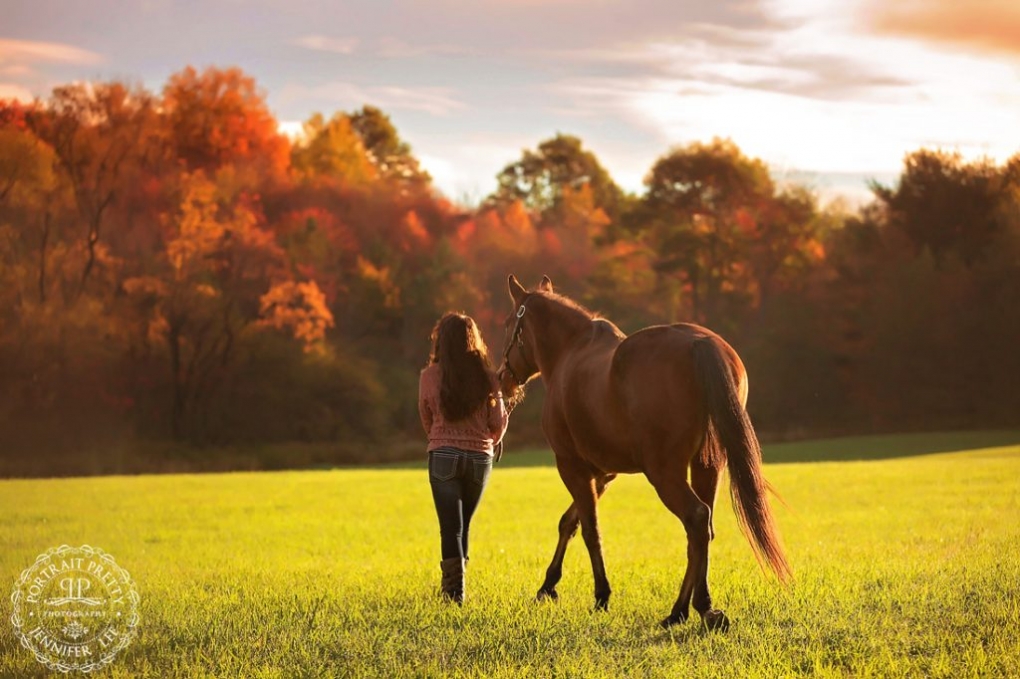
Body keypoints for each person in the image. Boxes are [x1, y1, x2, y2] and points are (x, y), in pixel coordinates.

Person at [419, 312, 509, 604]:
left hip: (443, 455)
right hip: (479, 459)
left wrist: (439, 439)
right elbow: (499, 420)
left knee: (450, 528)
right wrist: (490, 441)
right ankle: (457, 588)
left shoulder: (429, 376)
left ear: (440, 340)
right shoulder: (488, 377)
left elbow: (426, 417)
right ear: (474, 339)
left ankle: (454, 594)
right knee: (464, 526)